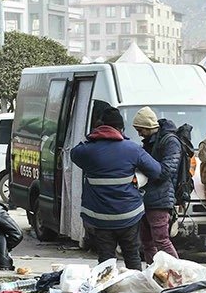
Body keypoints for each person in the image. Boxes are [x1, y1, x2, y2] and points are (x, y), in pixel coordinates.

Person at [69, 106, 161, 270]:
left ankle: (106, 290)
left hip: (99, 217)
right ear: (121, 128)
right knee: (132, 254)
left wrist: (92, 138)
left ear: (99, 127)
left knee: (105, 258)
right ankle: (135, 290)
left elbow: (74, 153)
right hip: (129, 215)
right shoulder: (132, 149)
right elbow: (156, 170)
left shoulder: (87, 150)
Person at [132, 107, 181, 263]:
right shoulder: (150, 142)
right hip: (146, 198)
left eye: (140, 129)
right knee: (147, 243)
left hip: (160, 198)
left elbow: (166, 171)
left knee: (161, 240)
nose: (139, 133)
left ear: (148, 126)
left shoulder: (170, 141)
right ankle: (153, 275)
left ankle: (178, 275)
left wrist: (143, 166)